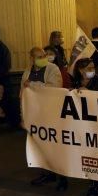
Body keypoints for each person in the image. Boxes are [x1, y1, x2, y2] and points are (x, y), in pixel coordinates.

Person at [23, 47, 64, 188]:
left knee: (55, 146)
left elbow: (55, 88)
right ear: (31, 59)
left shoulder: (53, 69)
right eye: (38, 56)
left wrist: (33, 85)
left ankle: (61, 177)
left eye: (43, 56)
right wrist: (22, 115)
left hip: (51, 113)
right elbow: (22, 93)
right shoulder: (28, 71)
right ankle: (46, 173)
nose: (42, 58)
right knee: (39, 146)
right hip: (35, 114)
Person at [71, 58, 98, 196]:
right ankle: (93, 182)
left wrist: (89, 93)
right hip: (82, 124)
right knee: (87, 153)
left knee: (97, 154)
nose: (92, 70)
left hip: (97, 124)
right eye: (89, 68)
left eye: (93, 67)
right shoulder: (75, 82)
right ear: (81, 70)